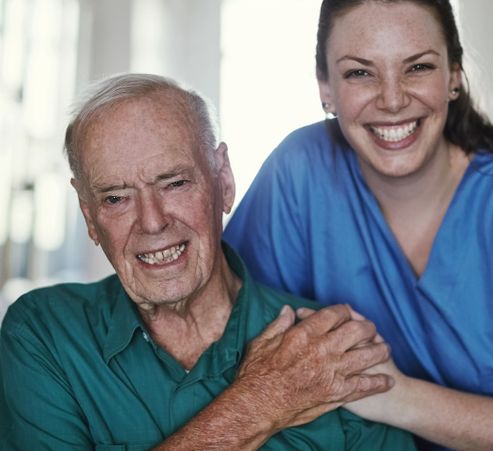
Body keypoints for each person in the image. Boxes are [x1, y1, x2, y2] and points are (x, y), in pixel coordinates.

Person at [223, 1, 493, 450]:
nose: (393, 99)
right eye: (360, 73)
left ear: (454, 76)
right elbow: (228, 341)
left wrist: (393, 396)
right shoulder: (300, 171)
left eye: (417, 67)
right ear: (326, 87)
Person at [0, 73, 417, 450]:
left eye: (175, 183)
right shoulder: (44, 334)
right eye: (115, 198)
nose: (152, 221)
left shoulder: (330, 349)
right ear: (90, 217)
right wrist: (260, 402)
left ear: (224, 181)